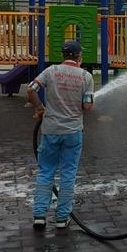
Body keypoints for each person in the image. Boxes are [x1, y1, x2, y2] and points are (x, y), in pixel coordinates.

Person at [27, 40, 94, 230]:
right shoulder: (86, 76)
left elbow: (31, 89)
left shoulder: (51, 71)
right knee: (68, 174)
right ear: (79, 56)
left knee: (45, 172)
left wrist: (40, 108)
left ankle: (39, 215)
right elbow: (87, 106)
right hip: (73, 132)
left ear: (63, 55)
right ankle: (62, 218)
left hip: (50, 130)